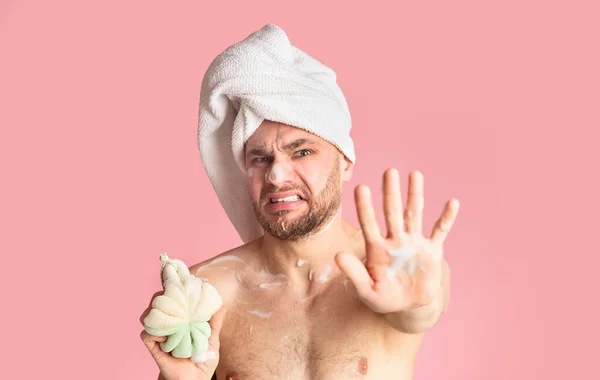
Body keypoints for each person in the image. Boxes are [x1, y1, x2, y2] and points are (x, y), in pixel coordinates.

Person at [140, 24, 459, 380]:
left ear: (345, 161)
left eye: (302, 151)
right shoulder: (207, 292)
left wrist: (417, 306)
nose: (276, 176)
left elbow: (419, 310)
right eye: (260, 159)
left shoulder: (400, 272)